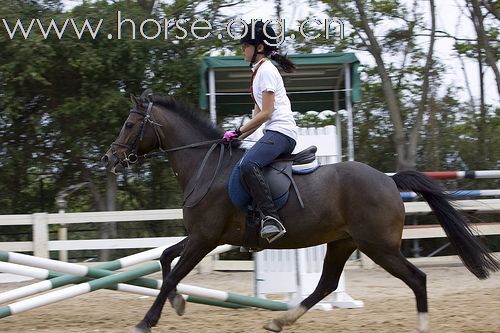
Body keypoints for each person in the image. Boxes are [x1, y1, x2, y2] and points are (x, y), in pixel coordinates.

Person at [222, 21, 297, 243]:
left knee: (248, 164)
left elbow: (266, 113)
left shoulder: (266, 70)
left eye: (246, 45)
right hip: (273, 132)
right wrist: (234, 139)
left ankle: (272, 218)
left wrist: (236, 131)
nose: (242, 49)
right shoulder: (257, 73)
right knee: (243, 158)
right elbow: (256, 119)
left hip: (281, 132)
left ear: (260, 48)